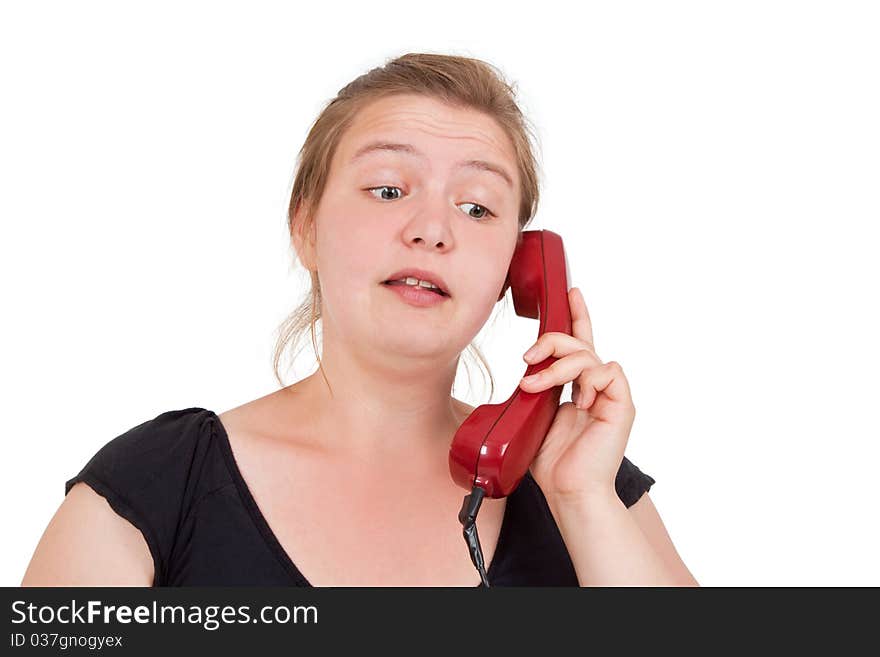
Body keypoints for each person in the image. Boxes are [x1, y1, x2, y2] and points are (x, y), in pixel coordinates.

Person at [22, 53, 698, 587]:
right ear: (306, 227)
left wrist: (584, 501)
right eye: (388, 189)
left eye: (478, 207)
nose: (433, 229)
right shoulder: (155, 486)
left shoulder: (587, 481)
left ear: (518, 272)